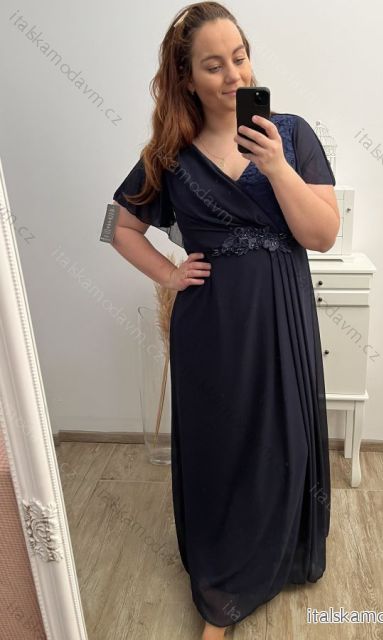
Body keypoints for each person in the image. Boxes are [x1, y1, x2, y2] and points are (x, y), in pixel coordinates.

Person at [111, 3, 340, 639]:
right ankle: (224, 580)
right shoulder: (169, 154)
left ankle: (277, 553)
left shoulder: (291, 134)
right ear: (186, 78)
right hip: (210, 324)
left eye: (239, 57)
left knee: (282, 438)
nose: (234, 75)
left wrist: (276, 167)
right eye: (213, 66)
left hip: (283, 314)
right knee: (221, 442)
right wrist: (169, 273)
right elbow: (118, 227)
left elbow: (322, 235)